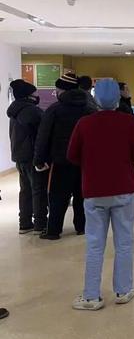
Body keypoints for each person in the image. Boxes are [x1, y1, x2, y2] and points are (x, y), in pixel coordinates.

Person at [68, 79, 134, 311]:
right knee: (124, 242)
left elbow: (72, 155)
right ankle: (123, 290)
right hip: (123, 189)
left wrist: (92, 162)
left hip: (94, 191)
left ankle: (91, 296)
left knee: (94, 244)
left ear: (95, 98)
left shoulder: (84, 123)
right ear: (118, 98)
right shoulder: (128, 122)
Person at [34, 73, 95, 240]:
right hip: (84, 161)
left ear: (62, 90)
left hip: (60, 161)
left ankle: (53, 230)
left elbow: (43, 136)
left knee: (57, 196)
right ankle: (82, 227)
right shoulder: (90, 109)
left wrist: (39, 159)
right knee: (82, 195)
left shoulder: (54, 109)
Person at [7, 79, 47, 234]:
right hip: (32, 157)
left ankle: (24, 223)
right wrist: (42, 157)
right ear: (27, 95)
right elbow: (41, 136)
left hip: (19, 156)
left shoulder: (14, 111)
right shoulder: (33, 112)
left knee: (25, 190)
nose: (37, 96)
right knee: (38, 190)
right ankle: (40, 224)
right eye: (34, 93)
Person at [117, 83, 134, 190]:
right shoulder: (121, 104)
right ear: (120, 91)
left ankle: (133, 182)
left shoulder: (125, 102)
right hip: (123, 138)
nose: (128, 91)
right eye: (126, 89)